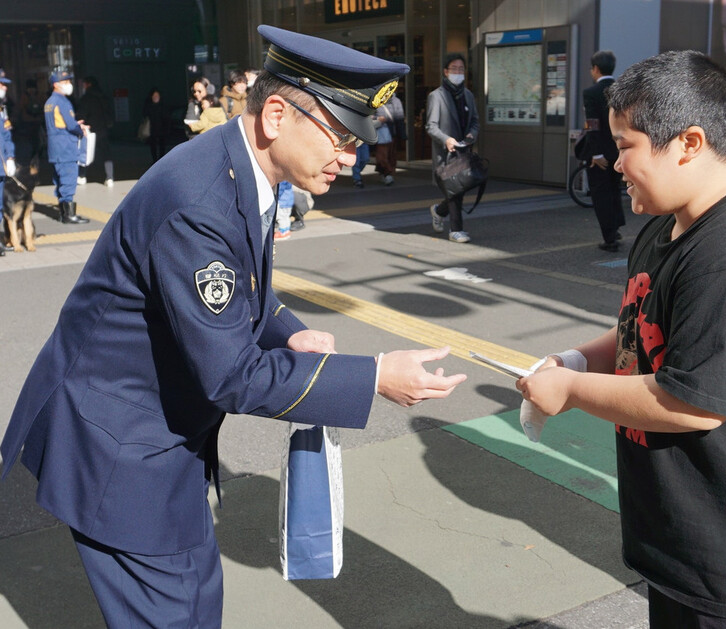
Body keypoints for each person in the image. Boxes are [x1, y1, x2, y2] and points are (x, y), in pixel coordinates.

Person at [0, 25, 466, 628]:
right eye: (341, 137)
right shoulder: (200, 201)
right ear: (276, 114)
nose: (350, 157)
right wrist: (374, 376)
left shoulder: (236, 164)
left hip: (160, 437)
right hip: (118, 448)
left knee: (196, 605)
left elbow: (240, 287)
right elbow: (232, 375)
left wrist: (289, 331)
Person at [516, 50, 726, 628]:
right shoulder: (668, 224)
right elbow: (641, 326)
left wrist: (571, 389)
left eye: (625, 145)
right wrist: (576, 358)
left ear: (689, 143)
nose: (615, 163)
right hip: (696, 541)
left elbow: (693, 402)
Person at [426, 53, 479, 244]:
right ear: (446, 72)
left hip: (464, 152)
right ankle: (456, 230)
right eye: (454, 69)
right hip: (445, 154)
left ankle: (439, 211)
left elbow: (474, 121)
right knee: (455, 191)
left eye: (461, 69)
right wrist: (446, 139)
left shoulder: (468, 95)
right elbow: (431, 126)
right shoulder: (436, 96)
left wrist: (472, 134)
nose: (458, 72)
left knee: (460, 189)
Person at [581, 50, 625, 251]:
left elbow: (592, 125)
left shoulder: (591, 93)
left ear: (596, 69)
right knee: (615, 190)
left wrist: (596, 154)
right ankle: (615, 228)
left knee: (601, 195)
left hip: (601, 153)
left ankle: (609, 238)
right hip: (620, 151)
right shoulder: (622, 90)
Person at [44, 70, 90, 224]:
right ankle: (68, 215)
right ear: (56, 84)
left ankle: (62, 213)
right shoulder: (62, 101)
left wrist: (74, 125)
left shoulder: (49, 102)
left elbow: (60, 124)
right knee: (68, 180)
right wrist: (80, 129)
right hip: (66, 148)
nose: (68, 84)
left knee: (59, 181)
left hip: (55, 148)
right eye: (65, 82)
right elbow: (70, 125)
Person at [76, 76, 115, 187]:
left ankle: (82, 176)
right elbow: (110, 113)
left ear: (88, 84)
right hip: (103, 129)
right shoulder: (103, 96)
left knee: (84, 152)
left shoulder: (86, 98)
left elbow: (81, 114)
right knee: (106, 153)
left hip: (89, 129)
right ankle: (110, 177)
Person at [373, 92, 403, 186]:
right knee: (382, 155)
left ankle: (387, 173)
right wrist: (378, 118)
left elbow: (400, 118)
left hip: (392, 131)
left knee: (391, 155)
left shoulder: (396, 101)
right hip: (380, 131)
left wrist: (402, 133)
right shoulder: (376, 100)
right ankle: (387, 173)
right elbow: (369, 116)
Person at [0, 69, 15, 256]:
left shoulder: (2, 108)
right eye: (1, 84)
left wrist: (10, 157)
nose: (4, 88)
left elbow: (6, 135)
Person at [142, 87, 169, 163]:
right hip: (152, 129)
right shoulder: (149, 105)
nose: (156, 97)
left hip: (162, 128)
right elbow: (145, 114)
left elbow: (166, 117)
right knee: (153, 146)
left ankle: (161, 160)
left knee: (162, 146)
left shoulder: (163, 105)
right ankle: (154, 160)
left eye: (157, 96)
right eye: (154, 96)